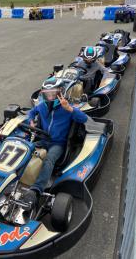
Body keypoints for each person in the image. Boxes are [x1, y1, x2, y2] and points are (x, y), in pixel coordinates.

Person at [23, 77, 88, 206]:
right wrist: (30, 120)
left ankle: (36, 189)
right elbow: (31, 112)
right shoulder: (41, 106)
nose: (51, 97)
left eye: (54, 94)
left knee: (49, 159)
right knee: (24, 149)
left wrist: (69, 109)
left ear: (61, 92)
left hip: (58, 143)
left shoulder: (67, 108)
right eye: (48, 94)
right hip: (43, 139)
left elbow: (84, 118)